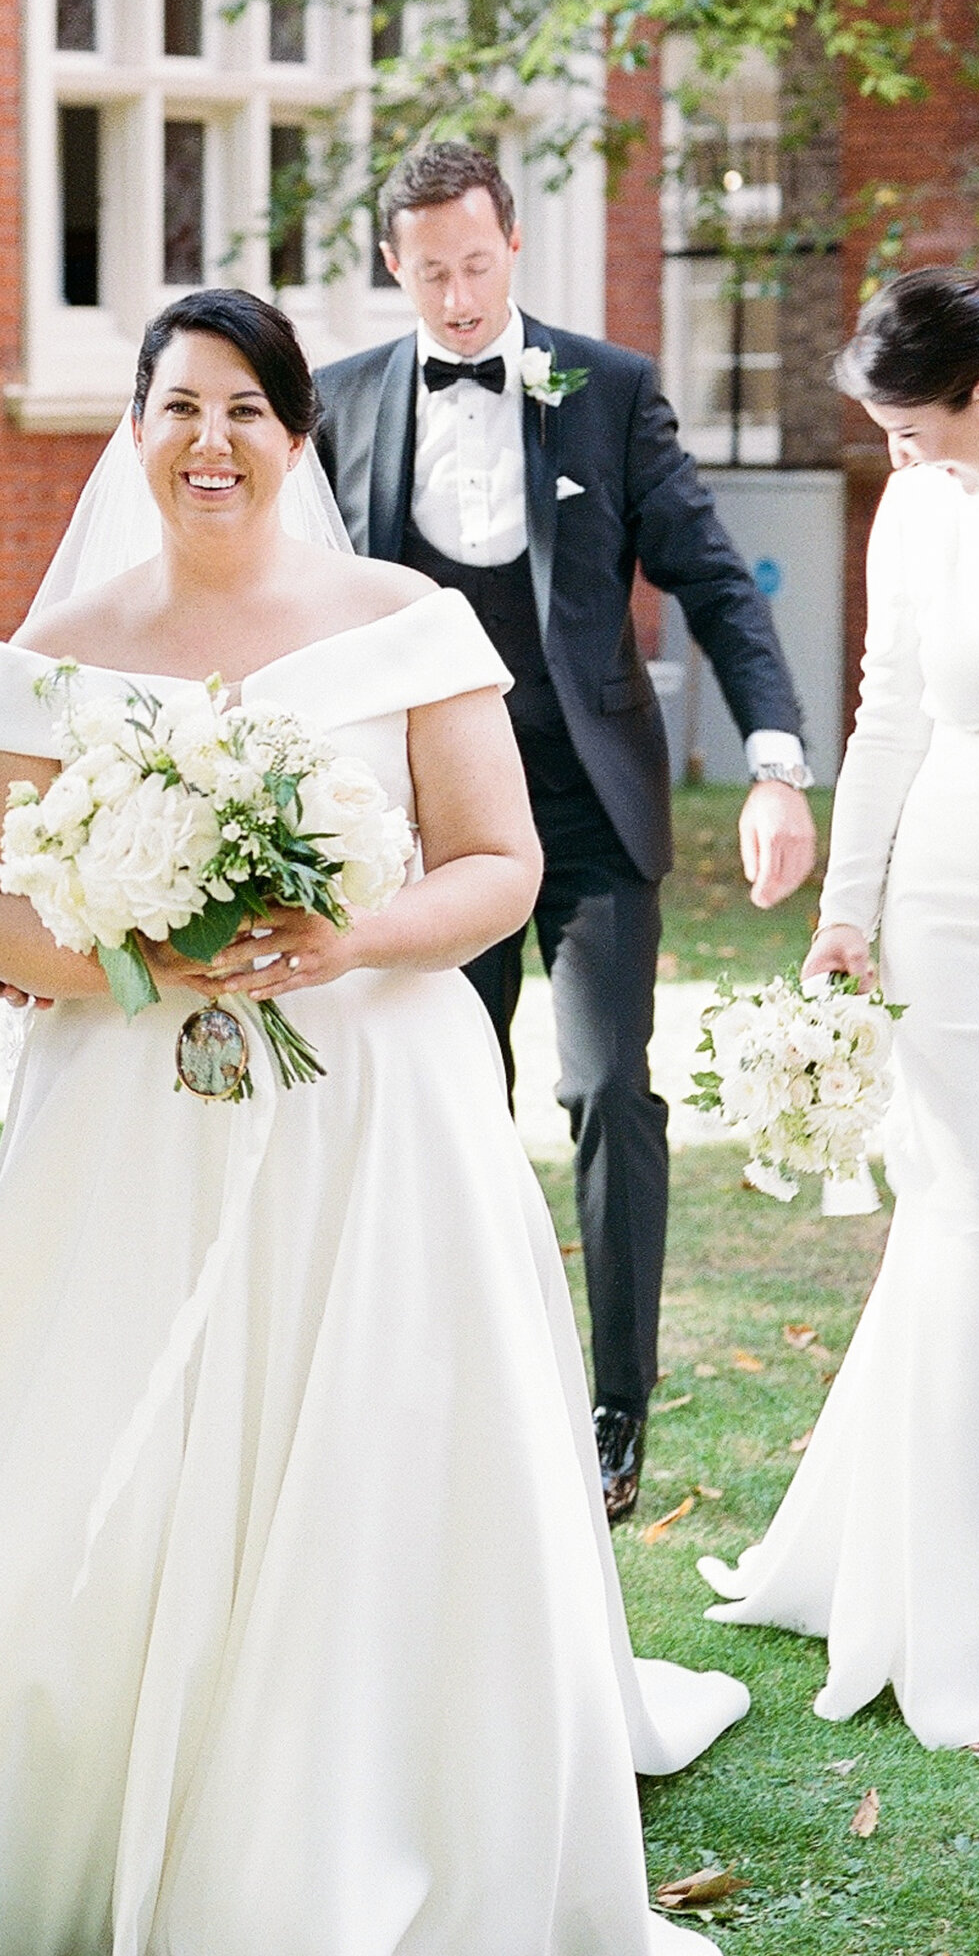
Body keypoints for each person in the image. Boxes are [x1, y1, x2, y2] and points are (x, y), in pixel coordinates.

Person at [0, 289, 749, 1956]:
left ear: (301, 435)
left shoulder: (404, 625)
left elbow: (500, 863)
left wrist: (347, 937)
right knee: (96, 1439)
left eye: (250, 408)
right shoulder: (65, 647)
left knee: (368, 1453)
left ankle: (340, 1838)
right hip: (133, 1112)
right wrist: (137, 952)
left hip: (374, 1114)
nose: (213, 441)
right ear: (139, 426)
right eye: (181, 405)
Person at [317, 143, 817, 1522]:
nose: (460, 296)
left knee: (606, 1088)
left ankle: (615, 1410)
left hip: (590, 806)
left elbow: (713, 579)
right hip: (426, 829)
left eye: (478, 265)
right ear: (392, 267)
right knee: (437, 1103)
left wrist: (776, 760)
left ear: (515, 246)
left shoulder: (608, 388)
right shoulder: (347, 402)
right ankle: (446, 1386)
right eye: (431, 272)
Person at [702, 271, 979, 1754]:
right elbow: (890, 711)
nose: (903, 461)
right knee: (976, 1239)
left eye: (913, 431)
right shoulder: (928, 514)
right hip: (968, 941)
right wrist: (846, 916)